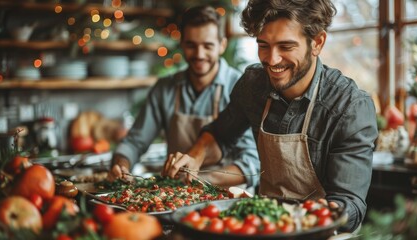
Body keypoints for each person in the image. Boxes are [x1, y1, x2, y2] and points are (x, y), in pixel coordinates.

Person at [162, 0, 378, 232]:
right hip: (262, 227)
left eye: (286, 47)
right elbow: (220, 133)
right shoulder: (253, 84)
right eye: (263, 45)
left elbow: (350, 205)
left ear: (317, 42)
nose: (272, 60)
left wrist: (290, 217)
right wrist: (196, 156)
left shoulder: (349, 106)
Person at [108, 5, 260, 189]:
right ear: (182, 44)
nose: (199, 54)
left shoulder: (241, 88)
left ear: (222, 45)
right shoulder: (165, 89)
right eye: (191, 45)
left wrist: (202, 181)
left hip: (227, 199)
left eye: (207, 46)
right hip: (175, 196)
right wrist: (121, 165)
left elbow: (252, 163)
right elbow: (134, 142)